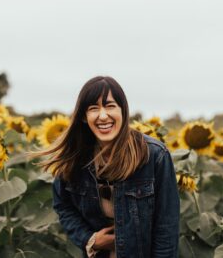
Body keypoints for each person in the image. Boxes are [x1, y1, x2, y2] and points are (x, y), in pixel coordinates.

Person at [37, 76, 180, 258]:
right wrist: (90, 239)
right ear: (83, 116)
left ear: (123, 111)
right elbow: (63, 205)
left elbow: (166, 227)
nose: (103, 115)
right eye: (93, 108)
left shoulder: (154, 156)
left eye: (110, 106)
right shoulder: (75, 158)